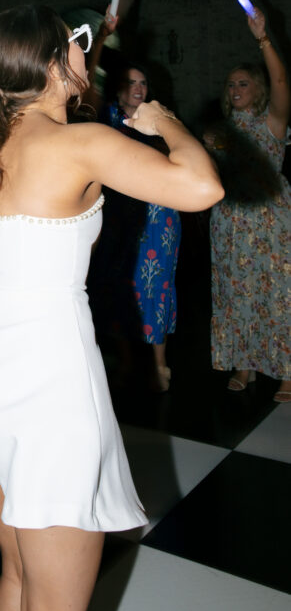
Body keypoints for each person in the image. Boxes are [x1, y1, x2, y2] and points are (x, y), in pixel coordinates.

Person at [0, 4, 223, 611]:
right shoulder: (82, 143)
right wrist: (165, 122)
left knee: (19, 574)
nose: (85, 55)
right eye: (77, 45)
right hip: (44, 389)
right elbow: (202, 186)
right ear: (53, 64)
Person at [208, 8, 291, 401]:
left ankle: (287, 369)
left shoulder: (271, 124)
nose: (235, 90)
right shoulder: (221, 132)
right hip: (230, 224)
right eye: (230, 85)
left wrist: (263, 39)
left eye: (242, 83)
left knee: (278, 291)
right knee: (237, 291)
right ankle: (246, 363)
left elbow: (281, 79)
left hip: (270, 224)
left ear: (257, 89)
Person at [98, 64, 182, 392]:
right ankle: (129, 362)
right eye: (130, 82)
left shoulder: (161, 118)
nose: (138, 88)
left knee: (155, 286)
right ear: (118, 88)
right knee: (121, 286)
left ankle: (159, 365)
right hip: (118, 214)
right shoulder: (105, 120)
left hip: (158, 213)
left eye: (143, 82)